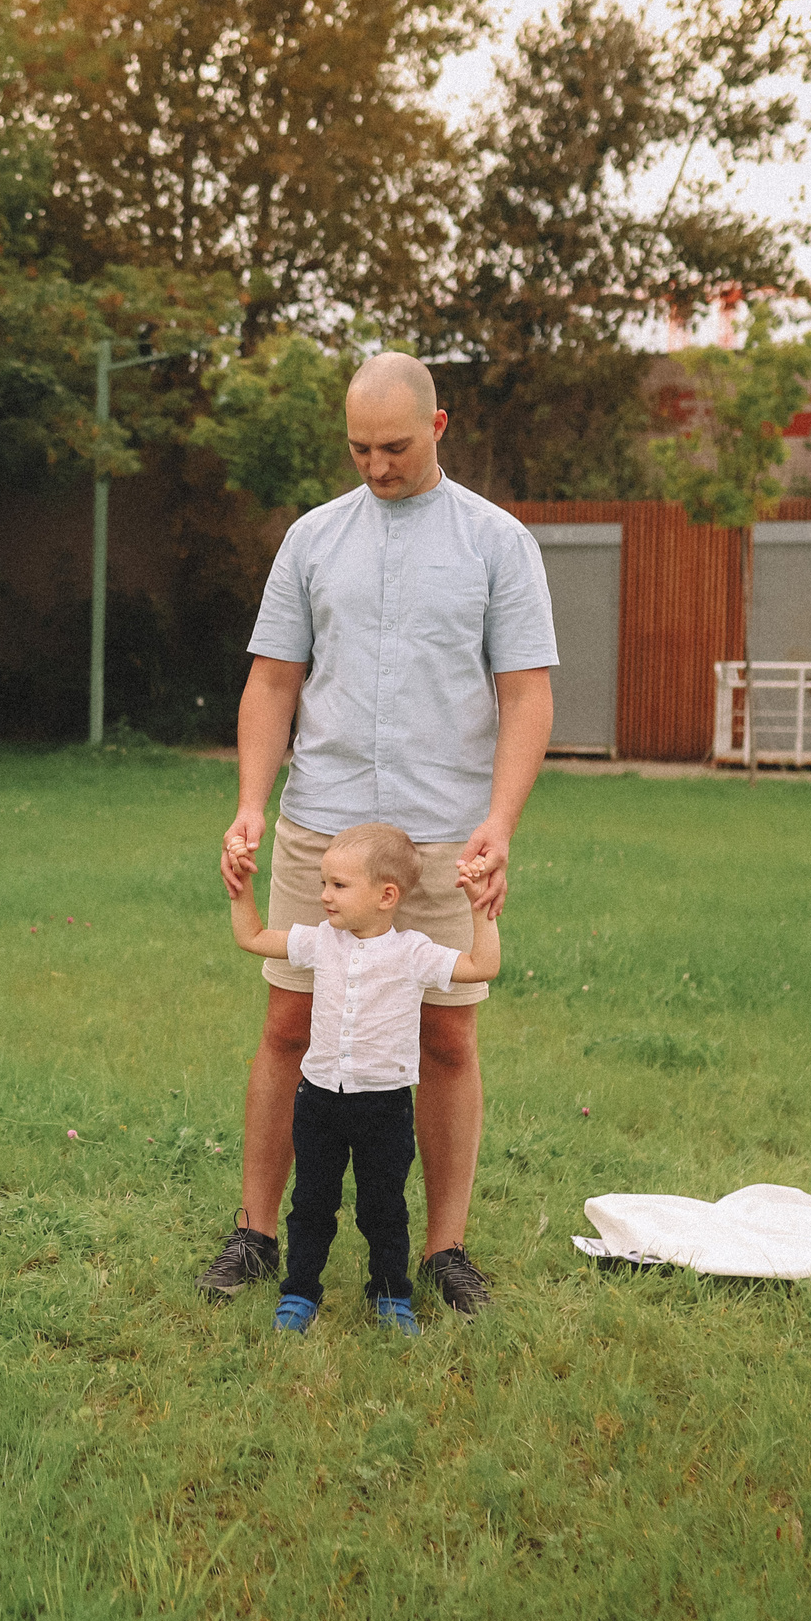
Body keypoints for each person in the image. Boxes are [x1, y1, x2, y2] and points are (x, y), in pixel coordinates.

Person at [196, 352, 556, 1316]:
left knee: (447, 1038)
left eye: (394, 446)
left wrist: (500, 824)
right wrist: (251, 801)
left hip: (443, 837)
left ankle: (446, 1250)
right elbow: (273, 680)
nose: (377, 465)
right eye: (360, 448)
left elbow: (526, 692)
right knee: (287, 1026)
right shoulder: (313, 539)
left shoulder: (497, 542)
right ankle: (256, 1233)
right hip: (323, 826)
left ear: (439, 427)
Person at [223, 822, 501, 1334]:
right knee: (311, 1204)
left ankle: (391, 1295)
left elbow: (483, 966)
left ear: (386, 896)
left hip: (384, 1108)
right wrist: (240, 888)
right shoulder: (320, 942)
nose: (324, 895)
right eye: (323, 883)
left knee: (384, 1210)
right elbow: (252, 937)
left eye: (338, 885)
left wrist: (479, 908)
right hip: (318, 1102)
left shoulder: (414, 952)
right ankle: (300, 1292)